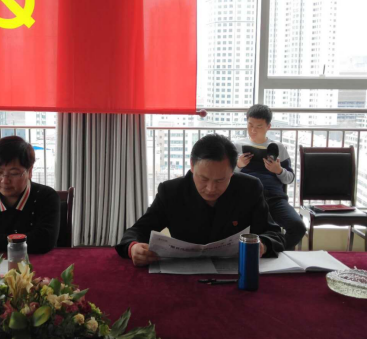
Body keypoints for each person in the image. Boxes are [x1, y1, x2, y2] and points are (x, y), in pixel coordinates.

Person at [115, 133, 286, 267]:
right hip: (182, 278)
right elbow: (136, 232)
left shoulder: (249, 188)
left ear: (233, 171)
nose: (210, 188)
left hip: (235, 275)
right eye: (203, 179)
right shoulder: (171, 191)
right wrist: (133, 248)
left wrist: (263, 245)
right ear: (192, 165)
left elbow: (274, 234)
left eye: (220, 180)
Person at [233, 104, 306, 250]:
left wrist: (278, 170)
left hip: (274, 198)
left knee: (298, 227)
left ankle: (271, 249)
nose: (253, 130)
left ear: (268, 127)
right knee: (240, 227)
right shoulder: (237, 146)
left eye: (259, 126)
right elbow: (226, 176)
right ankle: (261, 250)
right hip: (246, 198)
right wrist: (239, 166)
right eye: (250, 125)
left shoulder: (277, 147)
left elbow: (290, 178)